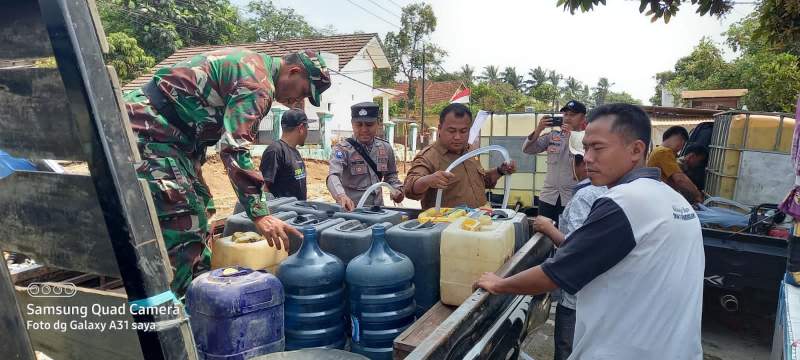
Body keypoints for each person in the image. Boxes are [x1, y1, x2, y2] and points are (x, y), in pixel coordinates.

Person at [476, 103, 705, 360]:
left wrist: (500, 284)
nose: (587, 158)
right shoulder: (673, 200)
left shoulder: (625, 201)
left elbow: (556, 273)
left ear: (636, 150)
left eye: (598, 148)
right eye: (585, 148)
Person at [126, 48, 330, 296]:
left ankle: (201, 291)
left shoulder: (255, 68)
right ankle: (176, 312)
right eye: (304, 91)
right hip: (148, 130)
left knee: (202, 205)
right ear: (294, 72)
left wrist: (195, 169)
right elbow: (234, 149)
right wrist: (259, 214)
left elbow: (197, 118)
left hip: (171, 137)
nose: (299, 101)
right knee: (184, 219)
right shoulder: (259, 85)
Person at [531, 131, 607, 360]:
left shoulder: (586, 195)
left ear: (578, 162)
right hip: (600, 295)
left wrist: (547, 228)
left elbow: (575, 247)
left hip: (576, 296)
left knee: (567, 349)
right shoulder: (614, 190)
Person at [404, 103, 516, 210]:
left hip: (479, 221)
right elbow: (409, 188)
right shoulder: (428, 157)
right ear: (440, 128)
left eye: (463, 131)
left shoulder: (470, 150)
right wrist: (427, 180)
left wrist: (500, 171)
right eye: (451, 131)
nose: (457, 137)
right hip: (446, 226)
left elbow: (481, 182)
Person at [327, 102, 404, 211]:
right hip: (352, 212)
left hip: (378, 211)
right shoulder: (342, 150)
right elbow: (333, 176)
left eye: (369, 125)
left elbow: (391, 175)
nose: (364, 129)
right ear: (352, 124)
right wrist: (341, 196)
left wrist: (397, 190)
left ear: (377, 124)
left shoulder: (385, 148)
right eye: (359, 125)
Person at [523, 100, 587, 224]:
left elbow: (584, 156)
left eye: (572, 115)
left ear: (583, 118)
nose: (568, 118)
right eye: (565, 114)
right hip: (548, 197)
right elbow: (528, 149)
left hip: (572, 197)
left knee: (566, 234)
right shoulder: (552, 136)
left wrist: (572, 135)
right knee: (543, 235)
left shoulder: (587, 137)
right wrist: (538, 129)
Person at [260, 108, 311, 200]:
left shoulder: (294, 152)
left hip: (297, 212)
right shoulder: (275, 151)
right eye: (307, 128)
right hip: (283, 213)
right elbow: (263, 189)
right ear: (301, 128)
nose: (308, 132)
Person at [648, 126, 704, 204]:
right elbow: (680, 179)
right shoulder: (664, 152)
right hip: (661, 198)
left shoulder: (658, 151)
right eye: (681, 141)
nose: (680, 147)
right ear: (675, 136)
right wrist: (697, 194)